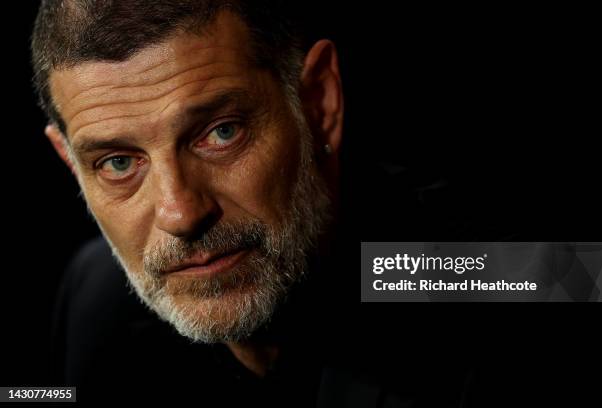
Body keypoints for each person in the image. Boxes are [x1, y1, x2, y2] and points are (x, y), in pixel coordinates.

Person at [31, 1, 484, 406]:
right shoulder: (95, 304)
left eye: (221, 132)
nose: (182, 214)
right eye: (117, 162)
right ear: (72, 164)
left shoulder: (497, 276)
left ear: (319, 106)